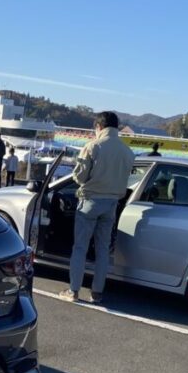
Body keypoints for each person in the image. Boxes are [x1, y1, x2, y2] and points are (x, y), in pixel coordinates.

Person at [58, 111, 134, 305]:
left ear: (99, 127)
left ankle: (73, 290)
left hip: (90, 202)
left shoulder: (93, 146)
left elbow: (79, 177)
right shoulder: (127, 152)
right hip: (112, 204)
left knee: (80, 247)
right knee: (102, 250)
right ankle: (97, 293)